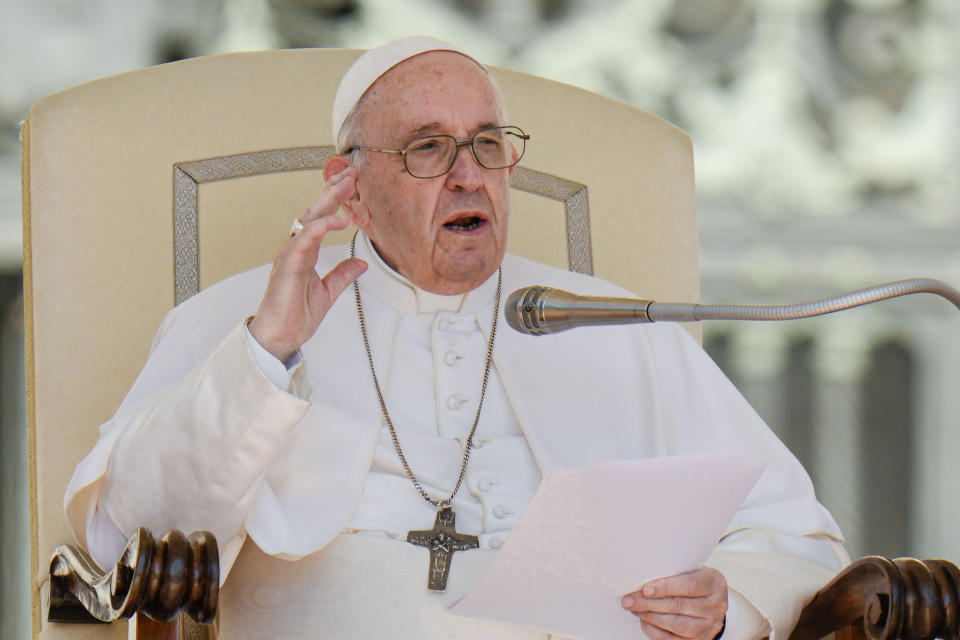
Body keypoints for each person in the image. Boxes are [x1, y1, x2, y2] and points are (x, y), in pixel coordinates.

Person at [65, 36, 846, 640]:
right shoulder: (247, 314)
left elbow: (794, 535)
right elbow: (123, 538)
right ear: (352, 185)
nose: (468, 175)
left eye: (487, 143)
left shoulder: (607, 320)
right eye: (428, 148)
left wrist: (725, 604)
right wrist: (265, 357)